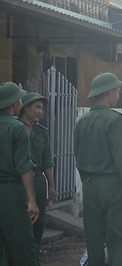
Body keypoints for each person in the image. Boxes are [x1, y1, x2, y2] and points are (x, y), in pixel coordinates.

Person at [74, 72, 122, 265]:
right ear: (110, 93)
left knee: (94, 238)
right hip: (113, 186)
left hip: (90, 186)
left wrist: (88, 180)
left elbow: (77, 156)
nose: (118, 94)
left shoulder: (82, 122)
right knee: (119, 238)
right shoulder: (114, 120)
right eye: (118, 90)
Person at [0, 82, 40, 265]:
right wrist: (31, 200)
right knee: (23, 246)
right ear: (14, 103)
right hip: (11, 194)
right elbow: (24, 166)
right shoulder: (18, 128)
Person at [18, 92, 56, 255]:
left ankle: (33, 255)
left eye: (42, 108)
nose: (41, 111)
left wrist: (52, 185)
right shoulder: (13, 128)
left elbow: (47, 160)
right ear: (26, 108)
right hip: (16, 183)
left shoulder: (42, 132)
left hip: (38, 182)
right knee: (18, 221)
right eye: (37, 107)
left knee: (37, 223)